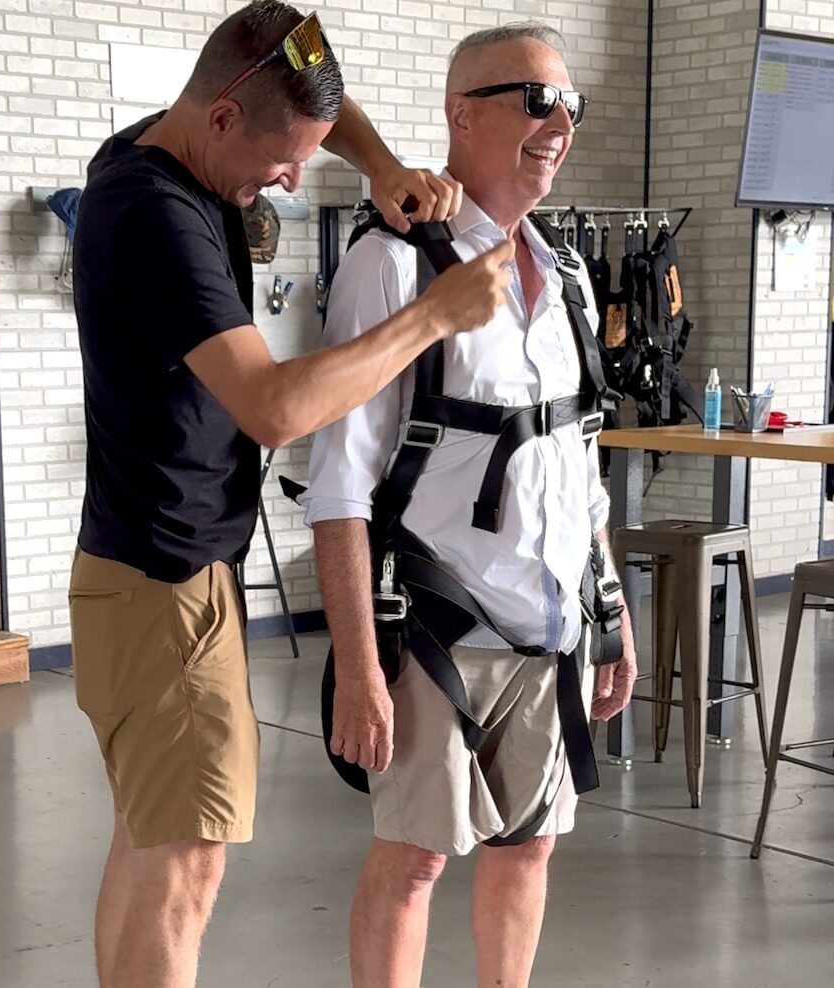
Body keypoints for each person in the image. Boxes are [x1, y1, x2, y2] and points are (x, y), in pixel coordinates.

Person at [67, 2, 516, 986]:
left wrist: (383, 165)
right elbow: (273, 408)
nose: (291, 178)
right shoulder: (154, 216)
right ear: (225, 117)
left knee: (151, 848)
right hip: (166, 587)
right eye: (284, 157)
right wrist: (435, 314)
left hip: (145, 575)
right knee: (183, 867)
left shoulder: (165, 143)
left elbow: (309, 77)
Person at [304, 22, 638, 988]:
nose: (559, 122)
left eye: (571, 103)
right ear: (460, 112)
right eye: (535, 99)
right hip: (433, 632)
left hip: (549, 630)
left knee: (527, 847)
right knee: (413, 861)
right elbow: (339, 484)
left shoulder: (571, 277)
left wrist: (608, 615)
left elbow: (580, 467)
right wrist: (361, 666)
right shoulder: (395, 265)